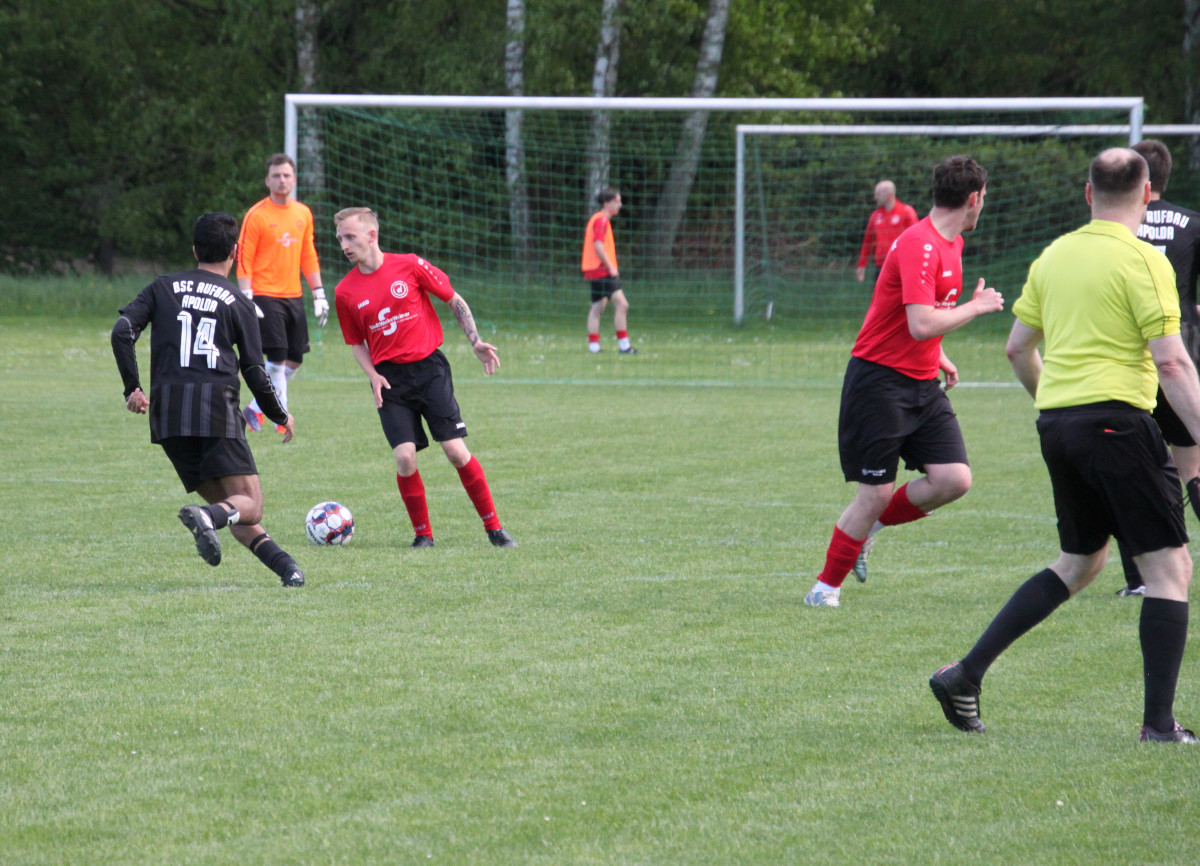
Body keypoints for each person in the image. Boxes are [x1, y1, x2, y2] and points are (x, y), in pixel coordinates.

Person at [930, 148, 1200, 743]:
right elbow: (1173, 363)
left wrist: (1057, 405)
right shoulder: (1146, 260)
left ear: (1087, 194)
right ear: (1147, 193)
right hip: (1119, 425)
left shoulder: (1053, 256)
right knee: (1169, 569)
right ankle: (1159, 726)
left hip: (1059, 425)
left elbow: (1017, 348)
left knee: (1081, 563)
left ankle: (965, 674)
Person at [805, 156, 1004, 608]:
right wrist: (976, 307)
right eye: (984, 198)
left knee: (953, 479)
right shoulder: (921, 244)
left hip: (921, 380)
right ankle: (824, 590)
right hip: (879, 382)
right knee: (874, 494)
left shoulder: (953, 242)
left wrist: (939, 354)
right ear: (974, 198)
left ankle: (868, 532)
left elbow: (917, 316)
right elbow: (920, 323)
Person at [111, 212, 304, 587]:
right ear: (235, 252)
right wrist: (280, 414)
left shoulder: (162, 287)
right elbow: (255, 370)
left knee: (233, 509)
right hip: (214, 410)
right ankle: (207, 518)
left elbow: (122, 330)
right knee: (250, 505)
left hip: (167, 417)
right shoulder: (238, 301)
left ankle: (289, 571)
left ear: (195, 250)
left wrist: (132, 388)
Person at [332, 206, 516, 549]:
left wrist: (475, 341)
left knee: (455, 451)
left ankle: (495, 529)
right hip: (389, 380)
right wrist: (373, 375)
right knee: (405, 457)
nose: (344, 245)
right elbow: (356, 343)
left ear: (372, 235)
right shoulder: (345, 291)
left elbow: (453, 299)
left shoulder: (410, 265)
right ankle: (423, 536)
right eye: (340, 238)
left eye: (350, 237)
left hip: (429, 370)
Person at [1114, 139, 1200, 596]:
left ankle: (1138, 581)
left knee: (1131, 472)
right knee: (1192, 468)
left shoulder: (1115, 228)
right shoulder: (1192, 223)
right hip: (1180, 351)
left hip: (1129, 359)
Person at [236, 153, 327, 433]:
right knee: (276, 358)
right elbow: (244, 257)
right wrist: (246, 296)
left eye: (286, 175)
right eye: (276, 175)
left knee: (295, 358)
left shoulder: (303, 213)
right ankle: (282, 416)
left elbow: (308, 254)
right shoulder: (257, 215)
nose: (282, 180)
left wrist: (319, 293)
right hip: (264, 295)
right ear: (267, 180)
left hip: (293, 295)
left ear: (294, 179)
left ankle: (255, 407)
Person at [583, 188, 636, 354]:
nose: (620, 204)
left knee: (597, 307)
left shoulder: (598, 219)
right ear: (607, 203)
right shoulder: (601, 220)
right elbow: (598, 245)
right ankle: (624, 346)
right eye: (617, 201)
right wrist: (611, 266)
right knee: (622, 304)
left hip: (593, 270)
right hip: (601, 270)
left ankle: (594, 347)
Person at [856, 179, 919, 286]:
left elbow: (917, 239)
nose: (875, 197)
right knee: (880, 296)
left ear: (888, 194)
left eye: (878, 194)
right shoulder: (875, 216)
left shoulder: (906, 211)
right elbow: (867, 242)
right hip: (881, 266)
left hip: (902, 265)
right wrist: (862, 264)